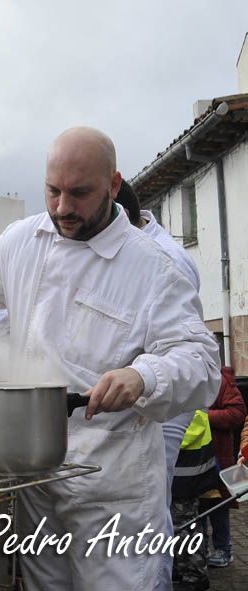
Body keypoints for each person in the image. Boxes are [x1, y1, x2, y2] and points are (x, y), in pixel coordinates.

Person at [0, 127, 221, 590]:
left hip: (113, 491)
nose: (63, 208)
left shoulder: (154, 267)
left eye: (80, 193)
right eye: (53, 191)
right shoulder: (23, 239)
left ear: (113, 186)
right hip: (35, 476)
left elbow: (203, 364)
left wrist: (143, 375)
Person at [115, 179, 202, 589]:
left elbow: (185, 349)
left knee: (149, 500)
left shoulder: (165, 259)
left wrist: (141, 377)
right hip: (138, 390)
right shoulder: (134, 242)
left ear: (120, 218)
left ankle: (156, 580)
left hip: (163, 401)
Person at [170, 410, 219, 591]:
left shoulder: (189, 403)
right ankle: (179, 568)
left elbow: (183, 433)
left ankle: (195, 576)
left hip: (186, 476)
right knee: (177, 526)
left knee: (186, 527)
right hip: (184, 475)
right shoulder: (189, 398)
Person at [203, 366, 246, 568]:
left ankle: (223, 549)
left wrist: (203, 418)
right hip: (186, 458)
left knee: (217, 504)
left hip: (215, 455)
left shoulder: (220, 379)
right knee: (193, 505)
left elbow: (237, 414)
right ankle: (198, 551)